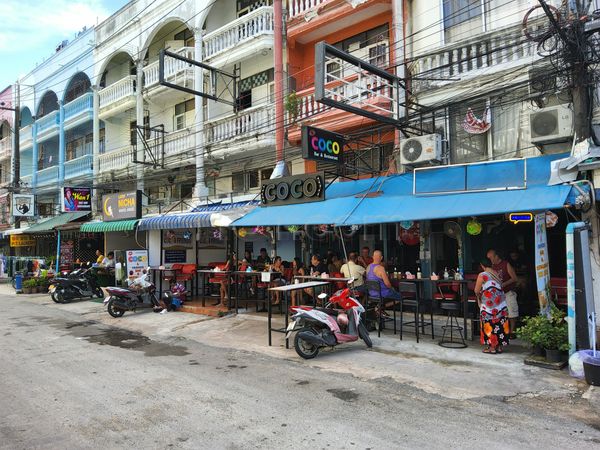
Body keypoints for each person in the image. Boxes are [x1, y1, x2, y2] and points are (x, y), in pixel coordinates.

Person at [474, 257, 510, 354]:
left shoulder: (482, 275)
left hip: (489, 306)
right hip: (500, 305)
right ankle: (498, 347)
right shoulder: (496, 274)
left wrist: (479, 297)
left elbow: (476, 290)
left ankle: (492, 348)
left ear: (482, 265)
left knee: (489, 324)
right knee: (498, 324)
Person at [487, 248, 519, 338]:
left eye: (491, 257)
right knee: (500, 313)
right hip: (497, 294)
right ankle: (504, 330)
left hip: (508, 292)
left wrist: (504, 284)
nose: (490, 260)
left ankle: (512, 332)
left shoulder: (506, 264)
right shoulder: (491, 267)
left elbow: (514, 278)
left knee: (512, 312)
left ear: (496, 256)